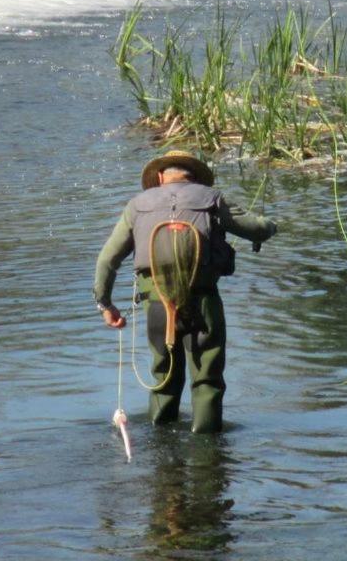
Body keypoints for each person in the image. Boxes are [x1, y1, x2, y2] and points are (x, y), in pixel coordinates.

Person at [94, 150, 277, 433]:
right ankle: (208, 450)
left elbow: (107, 259)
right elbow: (257, 228)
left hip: (156, 303)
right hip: (203, 299)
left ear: (159, 177)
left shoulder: (136, 205)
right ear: (195, 177)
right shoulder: (212, 198)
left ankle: (160, 444)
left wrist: (105, 305)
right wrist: (269, 226)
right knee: (207, 376)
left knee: (163, 375)